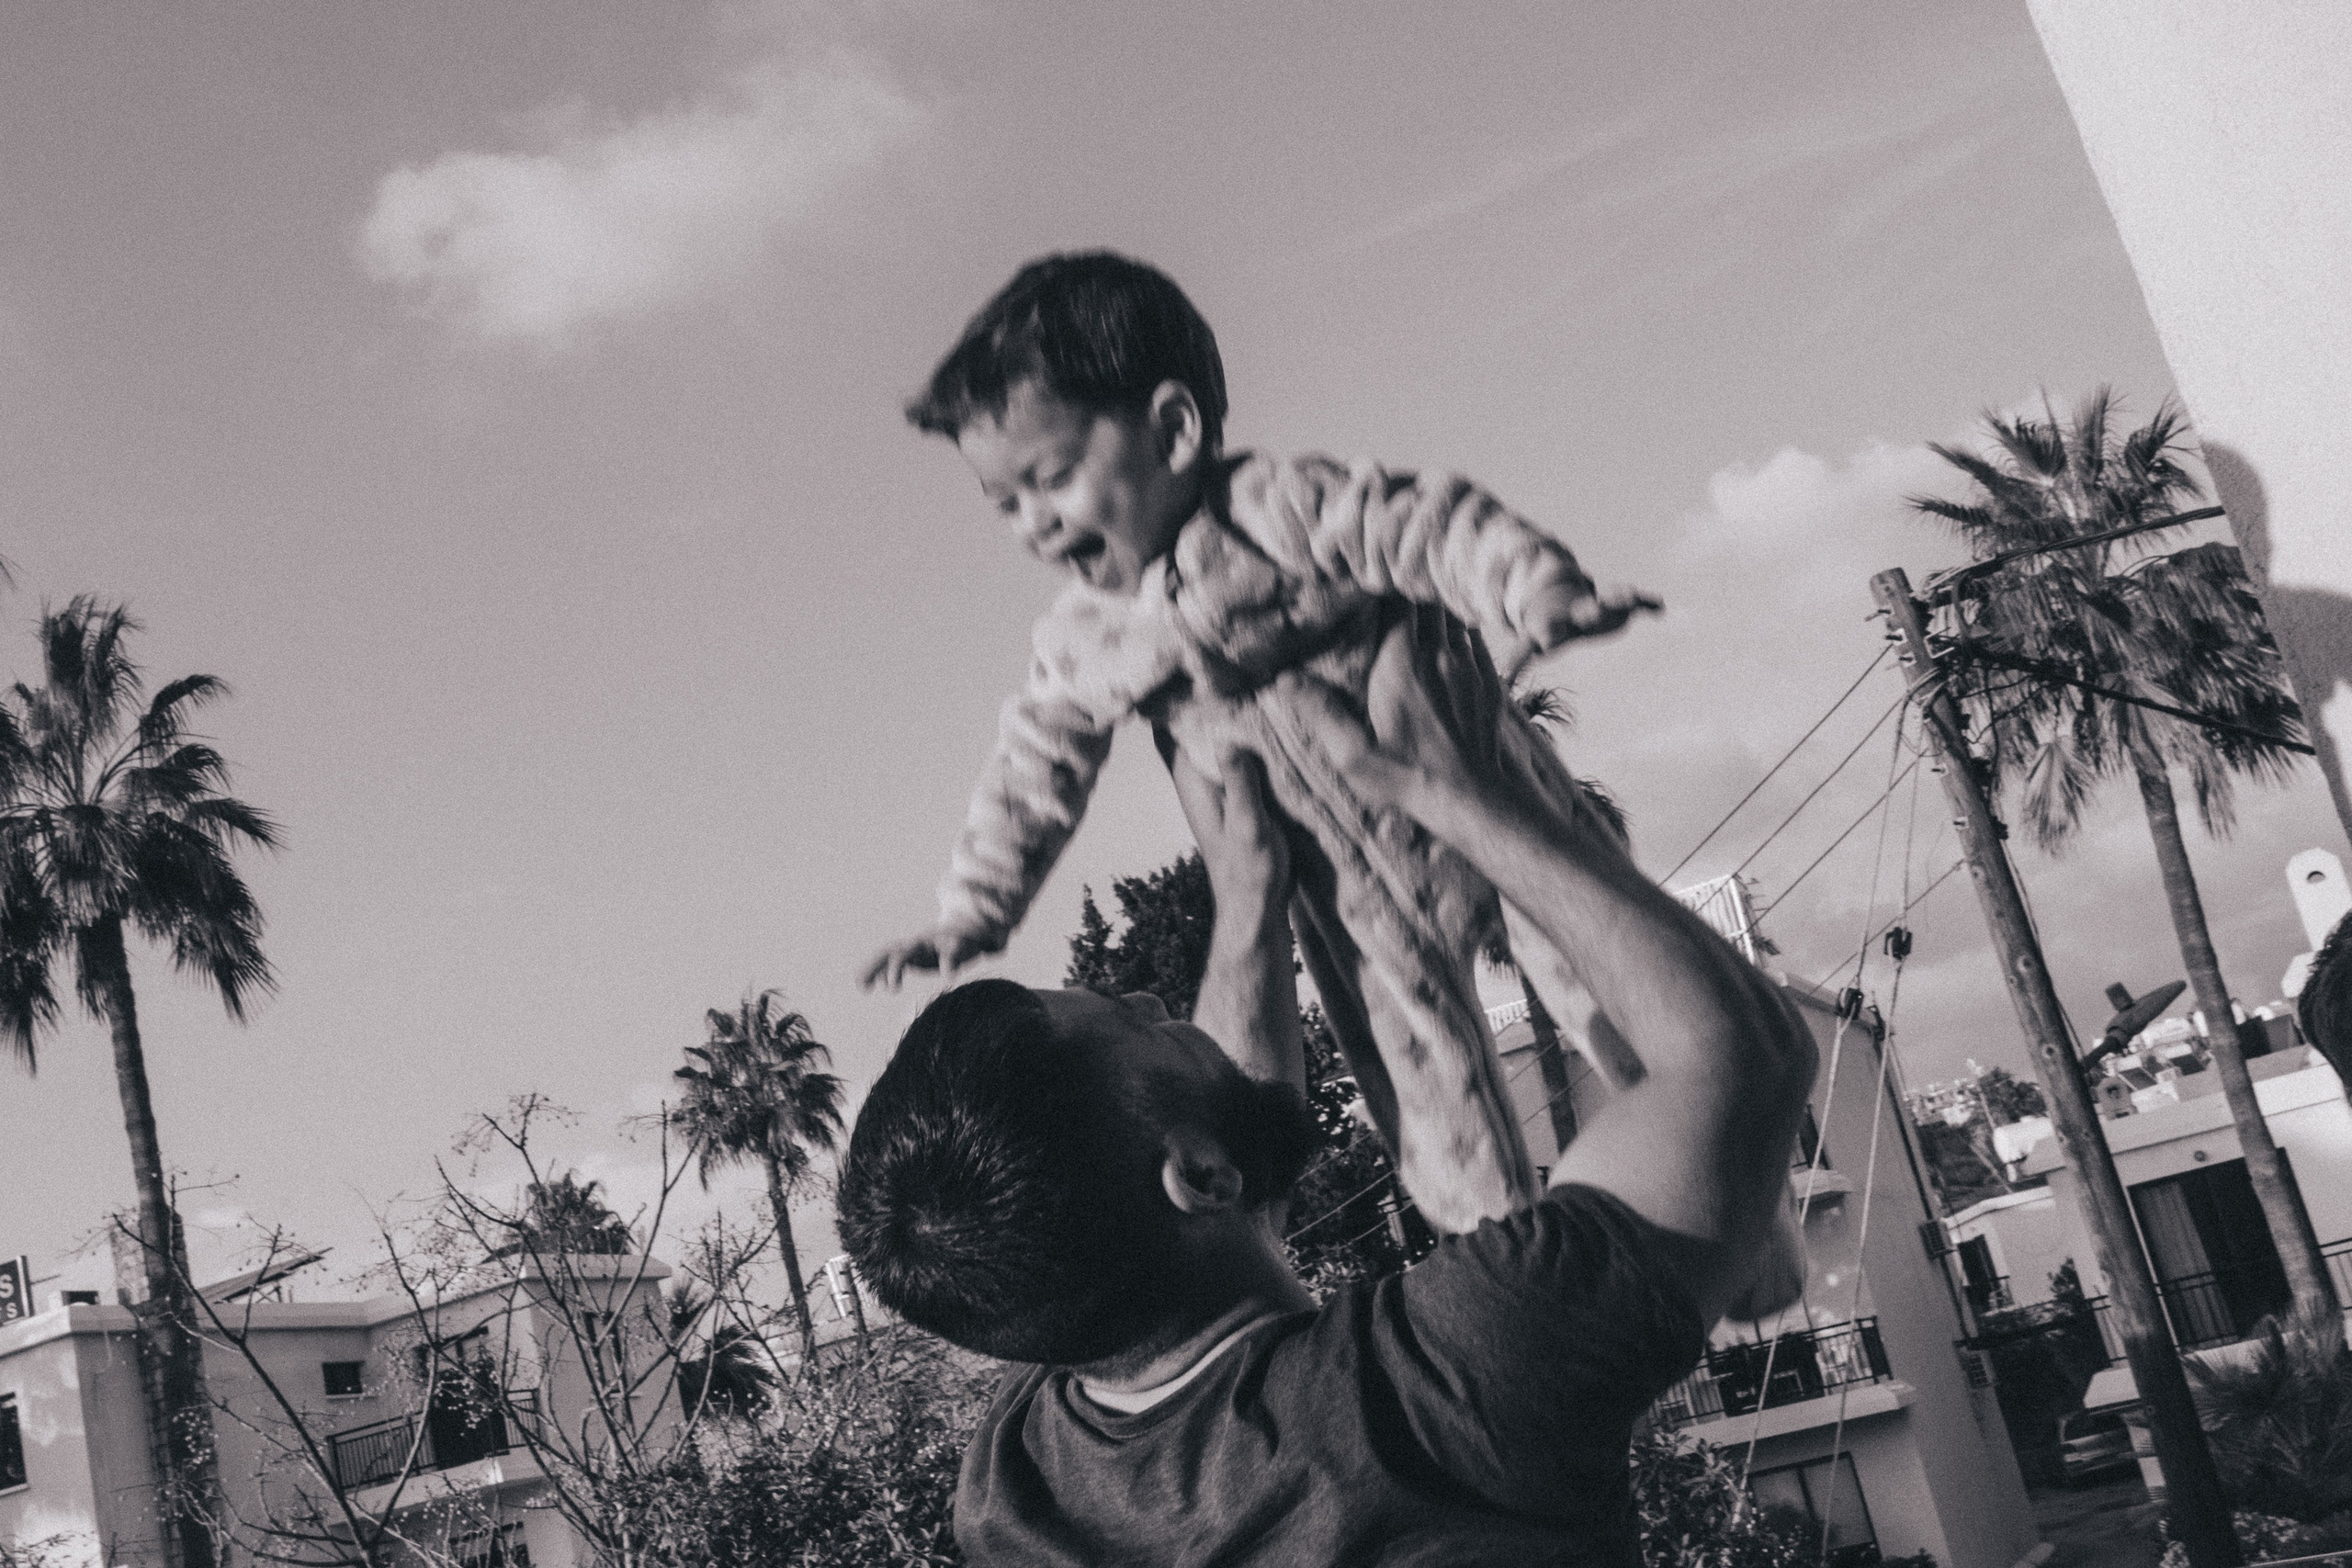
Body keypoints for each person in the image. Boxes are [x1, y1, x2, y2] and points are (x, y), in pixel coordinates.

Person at [836, 616, 1819, 1567]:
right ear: (1201, 1178)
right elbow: (1739, 1059)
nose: (1147, 997)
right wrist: (1469, 790)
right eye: (1134, 1024)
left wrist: (1249, 887)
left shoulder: (1021, 1493)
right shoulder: (1449, 1384)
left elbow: (1215, 1178)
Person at [862, 251, 1658, 1234]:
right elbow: (1035, 760)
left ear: (1173, 430)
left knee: (1615, 989)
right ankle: (1504, 1247)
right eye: (1005, 503)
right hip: (1345, 892)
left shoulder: (1278, 507)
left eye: (1053, 479)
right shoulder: (1085, 636)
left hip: (1490, 797)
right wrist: (975, 909)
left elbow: (1422, 523)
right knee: (1424, 1087)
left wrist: (1535, 587)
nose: (1033, 523)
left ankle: (1739, 1222)